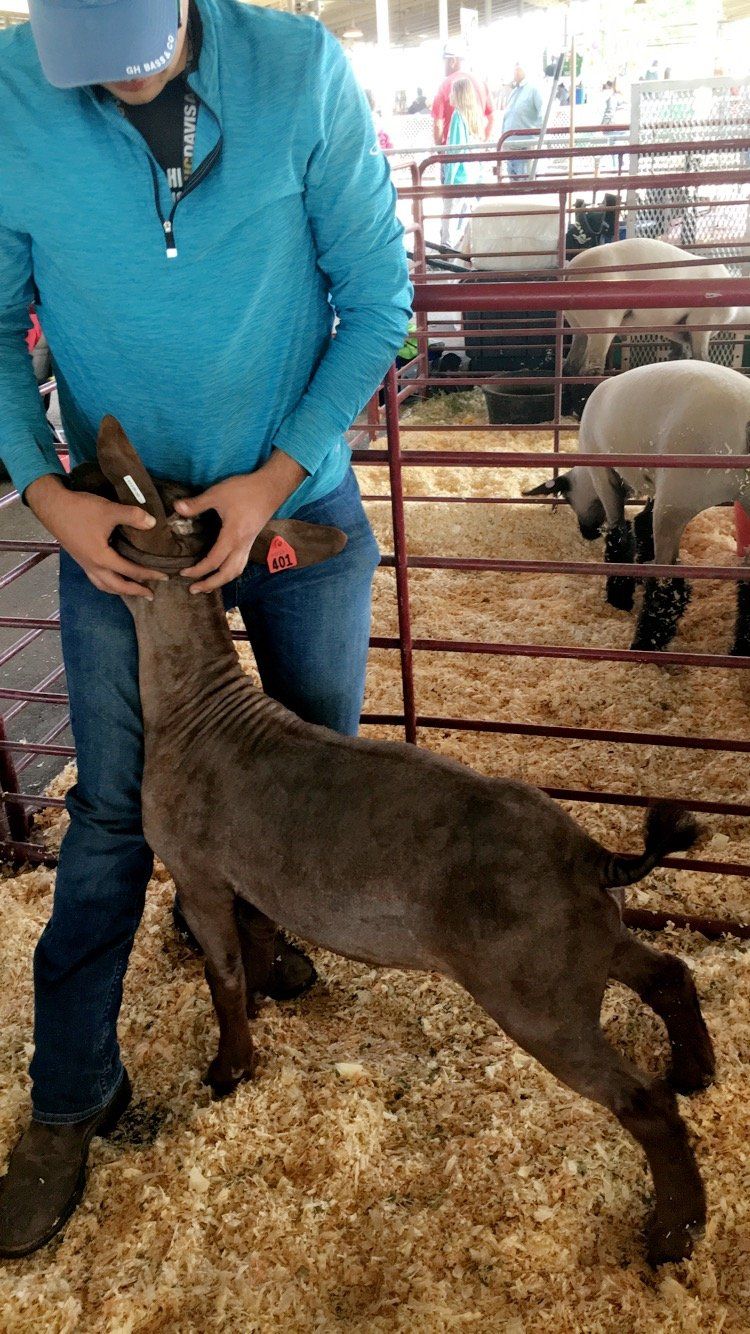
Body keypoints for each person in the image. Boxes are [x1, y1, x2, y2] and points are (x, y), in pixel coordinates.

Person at [0, 0, 411, 1259]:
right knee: (111, 809)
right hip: (121, 526)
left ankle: (241, 917)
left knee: (310, 760)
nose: (113, 84)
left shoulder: (299, 68)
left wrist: (278, 473)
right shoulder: (12, 90)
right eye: (85, 59)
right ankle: (71, 1093)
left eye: (134, 53)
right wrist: (48, 493)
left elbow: (378, 298)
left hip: (288, 498)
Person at [441, 77, 484, 248]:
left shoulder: (458, 116)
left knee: (450, 214)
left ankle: (446, 250)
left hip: (458, 176)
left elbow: (455, 150)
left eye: (452, 92)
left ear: (458, 94)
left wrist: (448, 181)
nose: (450, 95)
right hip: (471, 175)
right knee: (465, 216)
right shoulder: (474, 115)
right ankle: (464, 248)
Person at [431, 44, 493, 146]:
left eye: (444, 62)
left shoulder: (444, 86)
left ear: (452, 61)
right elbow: (491, 119)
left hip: (453, 151)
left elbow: (438, 124)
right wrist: (482, 144)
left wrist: (439, 149)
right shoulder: (481, 83)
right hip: (476, 149)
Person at [502, 61, 543, 179]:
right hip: (511, 148)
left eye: (518, 68)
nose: (515, 71)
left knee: (525, 183)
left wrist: (536, 139)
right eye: (515, 68)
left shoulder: (534, 89)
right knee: (514, 184)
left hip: (525, 148)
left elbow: (543, 114)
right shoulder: (514, 92)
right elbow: (508, 117)